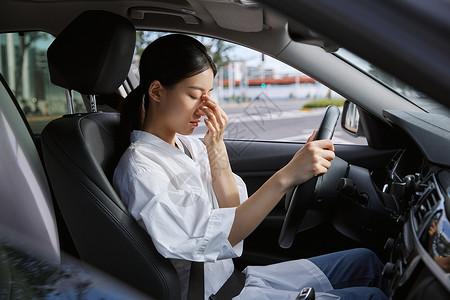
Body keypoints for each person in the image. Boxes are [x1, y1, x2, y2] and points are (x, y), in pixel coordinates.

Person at [113, 34, 389, 300]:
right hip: (213, 294)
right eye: (195, 95)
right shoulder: (142, 170)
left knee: (366, 261)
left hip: (235, 281)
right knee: (372, 296)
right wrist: (287, 176)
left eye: (209, 94)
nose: (206, 106)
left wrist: (216, 145)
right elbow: (219, 235)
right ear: (157, 91)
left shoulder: (189, 146)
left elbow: (232, 208)